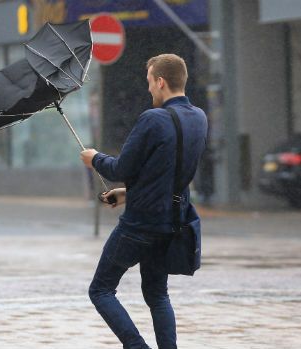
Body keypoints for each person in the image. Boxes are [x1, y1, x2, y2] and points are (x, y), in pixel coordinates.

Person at [80, 53, 208, 349]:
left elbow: (120, 169)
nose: (149, 88)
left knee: (100, 290)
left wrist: (94, 158)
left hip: (140, 225)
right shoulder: (199, 118)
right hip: (173, 221)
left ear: (161, 82)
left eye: (150, 82)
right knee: (157, 294)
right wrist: (127, 193)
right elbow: (170, 170)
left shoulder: (153, 119)